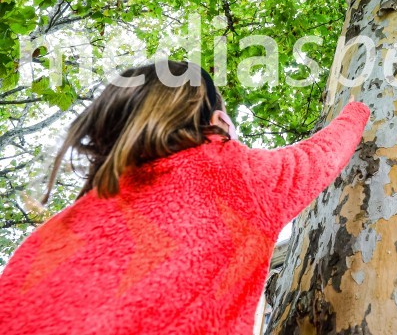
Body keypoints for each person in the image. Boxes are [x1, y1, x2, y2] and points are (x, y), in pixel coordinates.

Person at [0, 60, 370, 334]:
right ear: (217, 120)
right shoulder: (233, 174)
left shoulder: (58, 228)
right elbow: (322, 155)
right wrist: (358, 106)